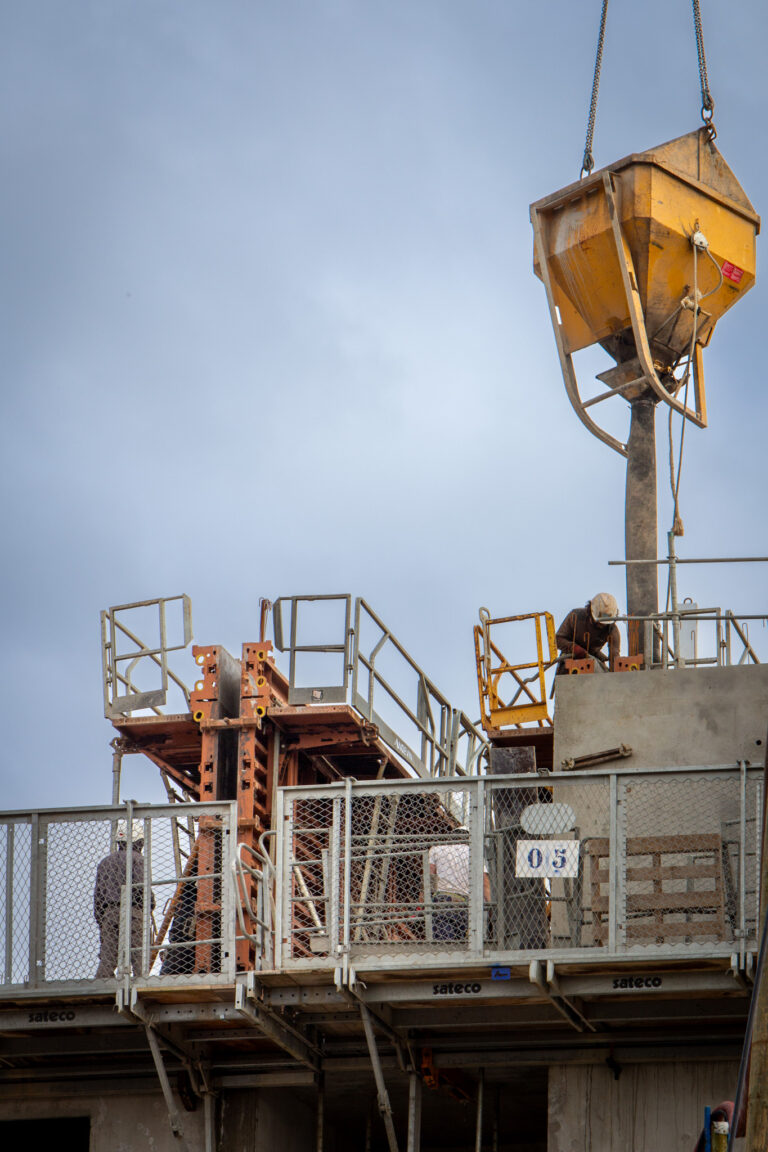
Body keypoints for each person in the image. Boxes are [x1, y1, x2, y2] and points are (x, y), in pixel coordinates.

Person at [94, 820, 154, 978]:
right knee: (139, 957)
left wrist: (103, 920)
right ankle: (141, 985)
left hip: (110, 915)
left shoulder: (104, 863)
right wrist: (150, 905)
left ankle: (100, 988)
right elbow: (142, 888)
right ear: (139, 841)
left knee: (108, 958)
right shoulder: (139, 860)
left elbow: (98, 898)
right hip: (134, 913)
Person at [428, 830, 491, 942]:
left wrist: (424, 900)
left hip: (443, 899)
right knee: (462, 944)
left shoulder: (437, 849)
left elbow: (429, 876)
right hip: (465, 903)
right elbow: (484, 881)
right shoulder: (473, 852)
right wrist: (491, 906)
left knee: (443, 943)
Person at [556, 592, 621, 671]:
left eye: (605, 623)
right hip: (570, 660)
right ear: (591, 611)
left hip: (593, 660)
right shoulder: (575, 616)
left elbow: (614, 657)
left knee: (603, 674)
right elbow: (558, 639)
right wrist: (574, 648)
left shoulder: (612, 629)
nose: (602, 625)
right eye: (599, 622)